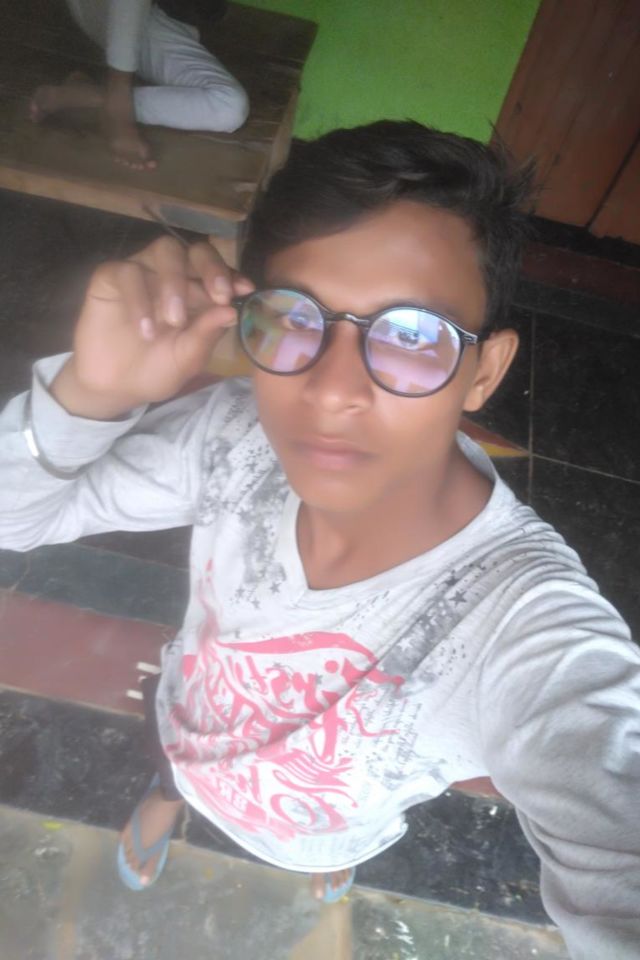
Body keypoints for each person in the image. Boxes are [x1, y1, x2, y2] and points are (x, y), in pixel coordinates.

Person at [1, 121, 639, 957]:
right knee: (175, 764)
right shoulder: (231, 437)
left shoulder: (523, 625)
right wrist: (92, 392)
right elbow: (18, 517)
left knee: (333, 844)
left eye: (413, 337)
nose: (333, 391)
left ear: (484, 371)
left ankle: (330, 860)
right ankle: (168, 798)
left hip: (333, 820)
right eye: (294, 318)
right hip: (190, 720)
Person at [29, 0, 248, 170]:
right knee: (228, 106)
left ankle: (91, 97)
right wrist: (119, 99)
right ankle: (114, 99)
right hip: (117, 11)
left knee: (227, 107)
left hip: (172, 22)